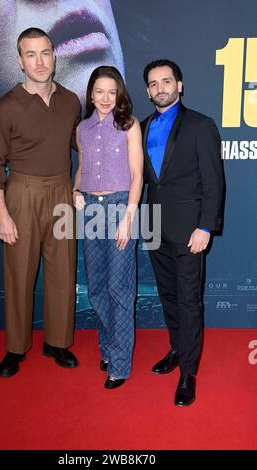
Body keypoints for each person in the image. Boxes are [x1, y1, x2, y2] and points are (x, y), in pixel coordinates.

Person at [0, 28, 81, 377]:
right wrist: (2, 216)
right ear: (19, 61)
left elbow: (80, 148)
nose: (40, 62)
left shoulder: (71, 101)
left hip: (62, 193)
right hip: (21, 193)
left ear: (55, 56)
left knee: (63, 272)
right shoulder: (5, 107)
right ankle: (15, 348)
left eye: (45, 53)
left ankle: (56, 342)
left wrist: (79, 186)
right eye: (31, 54)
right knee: (19, 274)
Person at [141, 59, 224, 405]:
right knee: (168, 296)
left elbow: (214, 181)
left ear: (180, 85)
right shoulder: (142, 126)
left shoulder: (200, 125)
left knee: (189, 301)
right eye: (153, 83)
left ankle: (188, 373)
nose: (160, 88)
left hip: (190, 230)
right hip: (154, 227)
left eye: (166, 81)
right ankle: (177, 348)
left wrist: (206, 225)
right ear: (148, 90)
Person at [73, 66, 143, 389]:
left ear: (119, 95)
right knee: (98, 287)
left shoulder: (129, 126)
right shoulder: (82, 129)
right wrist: (75, 192)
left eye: (111, 92)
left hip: (119, 209)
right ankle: (107, 347)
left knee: (119, 289)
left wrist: (128, 217)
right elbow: (83, 167)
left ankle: (120, 364)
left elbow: (137, 175)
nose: (105, 98)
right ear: (90, 94)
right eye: (99, 91)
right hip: (88, 210)